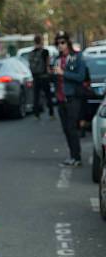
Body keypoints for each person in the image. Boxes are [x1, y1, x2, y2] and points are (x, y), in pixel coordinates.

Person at [53, 31, 86, 166]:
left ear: (68, 43)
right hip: (60, 99)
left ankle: (77, 157)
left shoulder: (77, 57)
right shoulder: (56, 59)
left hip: (73, 98)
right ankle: (72, 156)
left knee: (72, 128)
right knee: (66, 129)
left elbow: (81, 77)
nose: (60, 45)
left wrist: (63, 73)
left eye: (63, 42)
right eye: (58, 43)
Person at [28, 34, 54, 120]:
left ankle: (36, 115)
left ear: (34, 41)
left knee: (36, 96)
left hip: (35, 77)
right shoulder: (45, 51)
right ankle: (51, 114)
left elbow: (30, 66)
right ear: (41, 41)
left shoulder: (31, 53)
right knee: (48, 95)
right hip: (44, 76)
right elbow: (47, 64)